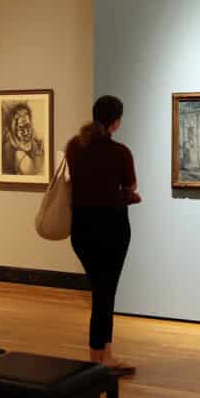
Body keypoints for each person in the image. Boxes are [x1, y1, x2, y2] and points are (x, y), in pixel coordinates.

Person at [65, 95, 141, 373]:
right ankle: (103, 357)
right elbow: (130, 184)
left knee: (99, 290)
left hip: (81, 230)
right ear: (116, 121)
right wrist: (125, 194)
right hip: (112, 229)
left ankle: (95, 355)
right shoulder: (120, 152)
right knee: (105, 292)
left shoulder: (75, 146)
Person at [2, 103, 44, 175]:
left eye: (28, 126)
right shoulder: (8, 150)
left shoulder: (35, 143)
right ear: (13, 129)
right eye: (21, 128)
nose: (26, 132)